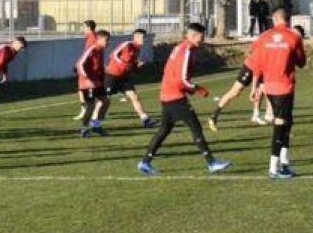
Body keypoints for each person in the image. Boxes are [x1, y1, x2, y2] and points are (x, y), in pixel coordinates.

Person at [137, 23, 232, 177]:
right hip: (175, 96)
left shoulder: (180, 48)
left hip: (167, 94)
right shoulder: (186, 50)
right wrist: (196, 89)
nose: (202, 40)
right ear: (193, 35)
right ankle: (211, 163)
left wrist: (188, 88)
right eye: (201, 37)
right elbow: (181, 80)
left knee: (164, 130)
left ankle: (145, 162)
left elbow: (170, 72)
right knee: (195, 127)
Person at [251, 9, 306, 179]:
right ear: (288, 20)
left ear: (274, 19)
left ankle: (284, 163)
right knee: (281, 125)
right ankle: (273, 168)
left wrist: (254, 87)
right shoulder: (294, 37)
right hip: (284, 88)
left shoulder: (263, 37)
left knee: (287, 123)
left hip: (269, 87)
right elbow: (302, 62)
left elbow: (257, 64)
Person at [207, 27, 266, 131]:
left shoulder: (268, 46)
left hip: (259, 68)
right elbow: (256, 70)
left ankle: (256, 115)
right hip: (250, 68)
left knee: (261, 90)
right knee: (235, 92)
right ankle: (213, 116)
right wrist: (253, 89)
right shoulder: (263, 49)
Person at [103, 29, 157, 128]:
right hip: (112, 75)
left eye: (145, 38)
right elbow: (113, 54)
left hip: (124, 77)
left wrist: (137, 66)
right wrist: (123, 64)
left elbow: (131, 63)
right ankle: (95, 122)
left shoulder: (138, 49)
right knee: (104, 99)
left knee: (134, 96)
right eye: (142, 37)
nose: (144, 40)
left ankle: (145, 120)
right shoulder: (127, 44)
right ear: (135, 37)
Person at [76, 29, 111, 137]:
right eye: (107, 40)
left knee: (105, 101)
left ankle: (96, 125)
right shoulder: (92, 49)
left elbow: (97, 66)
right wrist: (87, 79)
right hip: (88, 84)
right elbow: (79, 64)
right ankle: (84, 128)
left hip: (97, 82)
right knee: (90, 106)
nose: (108, 42)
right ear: (99, 39)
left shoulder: (100, 50)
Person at [75, 20, 98, 120]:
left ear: (89, 27)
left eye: (84, 27)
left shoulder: (92, 37)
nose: (83, 29)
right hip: (90, 66)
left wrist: (81, 64)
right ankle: (95, 110)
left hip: (88, 67)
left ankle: (86, 111)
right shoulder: (92, 36)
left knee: (83, 89)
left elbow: (90, 53)